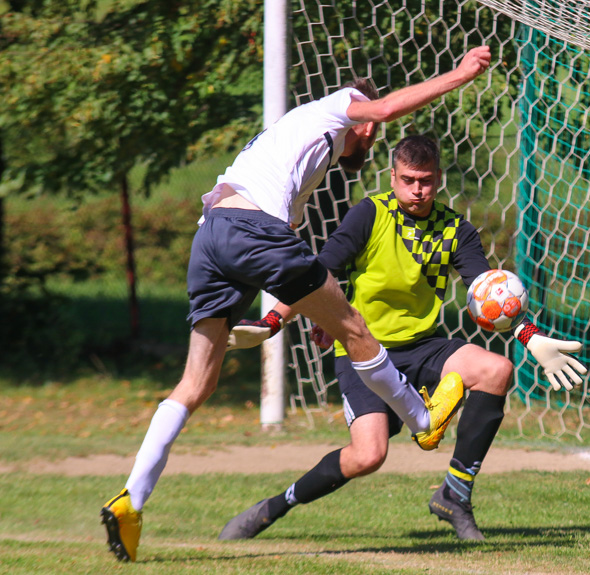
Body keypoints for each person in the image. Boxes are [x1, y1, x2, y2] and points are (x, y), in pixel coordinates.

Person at [99, 47, 493, 563]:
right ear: (364, 126)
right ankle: (423, 421)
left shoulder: (295, 150)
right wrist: (460, 75)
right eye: (369, 132)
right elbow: (385, 109)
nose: (369, 139)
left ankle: (132, 500)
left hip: (211, 234)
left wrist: (314, 309)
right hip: (249, 230)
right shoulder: (341, 105)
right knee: (357, 328)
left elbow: (281, 248)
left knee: (197, 383)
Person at [217, 135, 588, 542]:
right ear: (392, 177)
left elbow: (486, 291)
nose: (418, 190)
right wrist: (271, 323)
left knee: (495, 369)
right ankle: (275, 506)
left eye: (426, 180)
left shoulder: (455, 229)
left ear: (438, 179)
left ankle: (455, 493)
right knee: (368, 456)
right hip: (364, 350)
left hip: (424, 347)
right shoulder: (369, 215)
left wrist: (528, 335)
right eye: (409, 179)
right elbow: (316, 273)